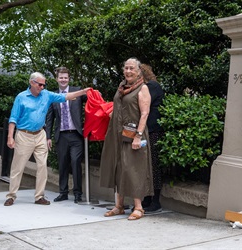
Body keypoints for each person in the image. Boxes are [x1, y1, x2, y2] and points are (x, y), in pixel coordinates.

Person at [4, 72, 89, 206]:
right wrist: (10, 137)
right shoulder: (21, 97)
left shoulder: (46, 95)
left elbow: (66, 96)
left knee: (42, 166)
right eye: (40, 84)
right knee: (17, 167)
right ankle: (11, 196)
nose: (42, 87)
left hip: (40, 135)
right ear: (32, 82)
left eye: (44, 84)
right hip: (24, 135)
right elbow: (13, 119)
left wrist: (83, 91)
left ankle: (39, 196)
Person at [99, 57, 154, 220]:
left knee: (133, 169)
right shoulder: (122, 87)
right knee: (118, 167)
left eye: (132, 69)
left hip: (134, 135)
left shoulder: (143, 88)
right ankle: (119, 206)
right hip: (116, 134)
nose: (128, 71)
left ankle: (138, 207)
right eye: (126, 68)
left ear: (138, 71)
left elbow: (144, 114)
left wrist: (138, 136)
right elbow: (118, 106)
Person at [45, 67, 88, 203]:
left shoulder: (77, 92)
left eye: (65, 77)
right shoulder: (53, 96)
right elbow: (49, 118)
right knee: (62, 164)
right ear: (57, 79)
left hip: (76, 135)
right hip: (61, 135)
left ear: (69, 79)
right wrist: (48, 137)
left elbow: (90, 101)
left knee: (75, 162)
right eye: (61, 77)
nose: (63, 80)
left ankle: (77, 193)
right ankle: (63, 192)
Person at [140, 64, 165, 214]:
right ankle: (147, 199)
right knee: (146, 167)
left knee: (154, 166)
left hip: (154, 131)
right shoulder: (149, 86)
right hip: (147, 131)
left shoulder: (152, 86)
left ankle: (156, 201)